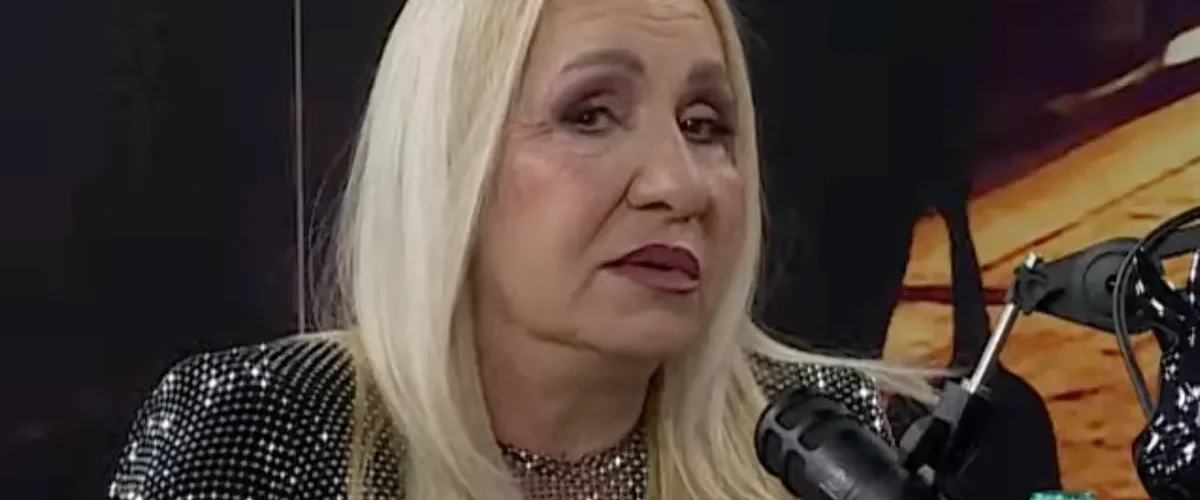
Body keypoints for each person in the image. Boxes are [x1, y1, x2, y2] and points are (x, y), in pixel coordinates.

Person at [106, 0, 935, 499]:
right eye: (590, 114)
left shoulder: (814, 441)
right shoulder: (254, 427)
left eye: (704, 125)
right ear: (447, 156)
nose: (679, 185)